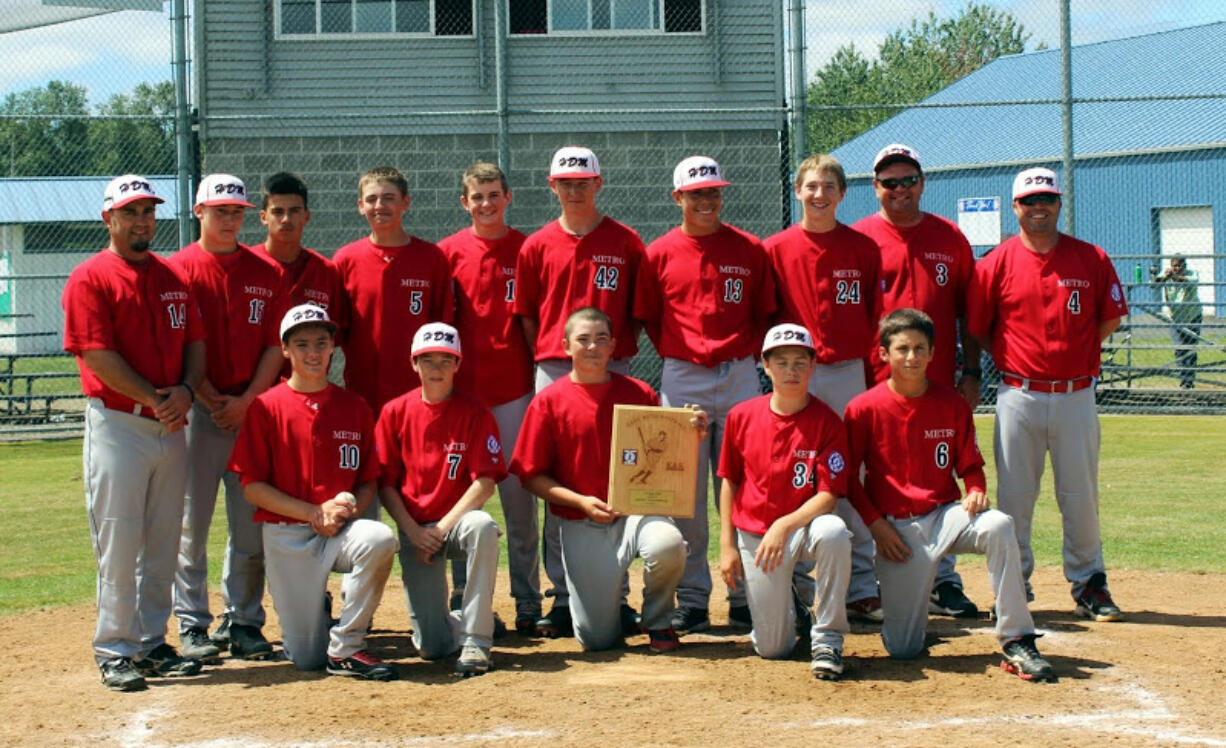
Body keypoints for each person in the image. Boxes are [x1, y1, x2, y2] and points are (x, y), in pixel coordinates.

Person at [844, 309, 1055, 682]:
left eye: (919, 348)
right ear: (883, 354)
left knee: (999, 526)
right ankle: (914, 616)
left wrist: (976, 490)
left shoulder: (952, 403)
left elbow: (970, 466)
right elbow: (848, 478)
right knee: (903, 649)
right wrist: (876, 526)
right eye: (902, 348)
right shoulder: (863, 408)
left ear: (932, 353)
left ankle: (1017, 638)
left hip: (945, 515)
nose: (911, 357)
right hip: (897, 530)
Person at [63, 175, 206, 691]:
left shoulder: (171, 276)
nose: (142, 220)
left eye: (148, 210)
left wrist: (187, 391)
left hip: (170, 423)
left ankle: (150, 642)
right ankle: (115, 648)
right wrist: (158, 398)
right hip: (120, 422)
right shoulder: (90, 277)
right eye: (130, 211)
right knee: (120, 540)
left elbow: (196, 342)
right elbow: (96, 355)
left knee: (164, 539)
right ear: (109, 219)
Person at [967, 167, 1128, 622]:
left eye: (1048, 199)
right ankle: (1014, 585)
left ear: (1059, 204)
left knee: (1080, 494)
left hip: (1076, 392)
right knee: (1015, 496)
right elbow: (977, 328)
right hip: (1019, 391)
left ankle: (1089, 582)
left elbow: (1109, 317)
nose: (1039, 207)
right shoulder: (995, 263)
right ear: (1016, 206)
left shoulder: (1089, 257)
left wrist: (1074, 355)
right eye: (1030, 200)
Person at [634, 155, 774, 634]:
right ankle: (693, 598)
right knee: (684, 493)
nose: (706, 200)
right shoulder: (659, 253)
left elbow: (763, 314)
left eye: (713, 191)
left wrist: (742, 356)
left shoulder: (750, 248)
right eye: (696, 193)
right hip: (683, 375)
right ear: (678, 198)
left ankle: (744, 593)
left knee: (744, 484)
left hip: (738, 372)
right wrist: (681, 355)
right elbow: (650, 317)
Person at [510, 307, 699, 653]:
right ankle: (612, 614)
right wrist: (580, 501)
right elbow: (530, 476)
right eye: (583, 339)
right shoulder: (548, 402)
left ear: (614, 346)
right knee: (598, 640)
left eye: (601, 339)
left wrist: (690, 435)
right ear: (566, 346)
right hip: (582, 520)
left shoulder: (640, 393)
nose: (592, 347)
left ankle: (658, 621)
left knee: (668, 542)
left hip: (635, 515)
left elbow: (662, 455)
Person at [514, 147, 646, 637]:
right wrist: (554, 356)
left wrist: (611, 353)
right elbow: (528, 314)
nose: (574, 190)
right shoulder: (537, 245)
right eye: (566, 183)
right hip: (555, 365)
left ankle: (619, 593)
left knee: (622, 477)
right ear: (553, 186)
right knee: (560, 483)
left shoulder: (626, 241)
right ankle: (562, 597)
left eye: (583, 182)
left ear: (598, 183)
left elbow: (634, 311)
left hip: (614, 365)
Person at [227, 304, 398, 681]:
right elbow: (252, 487)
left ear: (333, 347)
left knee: (380, 537)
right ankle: (315, 616)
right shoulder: (266, 408)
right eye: (301, 344)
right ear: (285, 350)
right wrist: (312, 512)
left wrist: (351, 507)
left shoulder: (353, 406)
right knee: (305, 657)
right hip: (288, 534)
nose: (313, 352)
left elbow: (368, 478)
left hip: (341, 532)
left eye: (321, 343)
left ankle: (347, 647)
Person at [851, 143, 981, 620]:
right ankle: (866, 582)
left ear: (923, 183)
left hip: (937, 382)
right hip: (874, 383)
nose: (900, 190)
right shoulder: (860, 238)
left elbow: (969, 313)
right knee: (867, 477)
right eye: (890, 182)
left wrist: (971, 370)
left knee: (938, 474)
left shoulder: (949, 237)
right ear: (876, 188)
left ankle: (943, 579)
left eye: (909, 180)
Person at [170, 174, 285, 662]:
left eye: (237, 211)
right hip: (197, 413)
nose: (229, 219)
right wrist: (206, 394)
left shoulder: (267, 271)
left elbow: (273, 348)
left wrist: (247, 400)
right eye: (220, 211)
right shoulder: (176, 269)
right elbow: (173, 348)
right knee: (191, 524)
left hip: (249, 411)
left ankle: (244, 619)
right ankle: (193, 622)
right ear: (199, 212)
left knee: (249, 524)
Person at [764, 153, 883, 624]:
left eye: (828, 187)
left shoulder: (862, 247)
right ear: (797, 192)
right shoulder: (774, 248)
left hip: (845, 371)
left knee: (850, 475)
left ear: (841, 194)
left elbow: (874, 315)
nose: (819, 195)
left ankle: (860, 585)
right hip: (794, 371)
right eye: (811, 186)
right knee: (793, 471)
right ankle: (794, 580)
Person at [438, 162, 541, 635]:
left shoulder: (528, 248)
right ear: (464, 202)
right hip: (464, 399)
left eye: (493, 195)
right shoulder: (448, 253)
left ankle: (527, 599)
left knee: (520, 505)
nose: (486, 204)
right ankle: (467, 599)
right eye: (477, 197)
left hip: (515, 391)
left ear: (508, 197)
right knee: (464, 504)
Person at [717, 324, 853, 680]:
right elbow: (729, 481)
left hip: (801, 529)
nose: (791, 371)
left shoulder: (826, 421)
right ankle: (792, 597)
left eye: (799, 362)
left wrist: (784, 524)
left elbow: (828, 495)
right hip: (756, 535)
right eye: (782, 362)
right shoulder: (741, 416)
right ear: (765, 365)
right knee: (773, 648)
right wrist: (726, 544)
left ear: (812, 366)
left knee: (835, 531)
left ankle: (828, 637)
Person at [376, 323, 506, 676]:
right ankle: (460, 620)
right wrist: (415, 532)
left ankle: (477, 640)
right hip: (414, 526)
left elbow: (485, 483)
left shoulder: (474, 410)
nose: (437, 368)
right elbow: (385, 484)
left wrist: (440, 529)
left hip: (455, 522)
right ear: (414, 364)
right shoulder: (394, 412)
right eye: (428, 360)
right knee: (433, 647)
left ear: (457, 365)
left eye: (446, 360)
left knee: (483, 526)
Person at [333, 166, 454, 418]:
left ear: (405, 202)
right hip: (363, 391)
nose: (380, 205)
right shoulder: (346, 260)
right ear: (360, 205)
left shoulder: (431, 258)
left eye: (389, 198)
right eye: (372, 199)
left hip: (419, 391)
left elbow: (442, 325)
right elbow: (337, 333)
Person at [253, 172, 345, 375]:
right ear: (263, 217)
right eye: (278, 211)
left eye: (294, 211)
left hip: (307, 389)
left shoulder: (326, 271)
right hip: (251, 394)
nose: (286, 219)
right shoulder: (247, 266)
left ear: (307, 216)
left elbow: (334, 337)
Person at [1153, 254, 1202, 389]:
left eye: (1179, 266)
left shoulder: (1193, 273)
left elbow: (1186, 281)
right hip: (1175, 318)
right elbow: (1154, 285)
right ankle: (1183, 380)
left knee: (1191, 349)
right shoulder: (1167, 273)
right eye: (1174, 266)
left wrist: (1173, 277)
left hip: (1192, 316)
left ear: (1184, 266)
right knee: (1179, 349)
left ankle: (1189, 382)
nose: (1176, 268)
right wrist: (1161, 278)